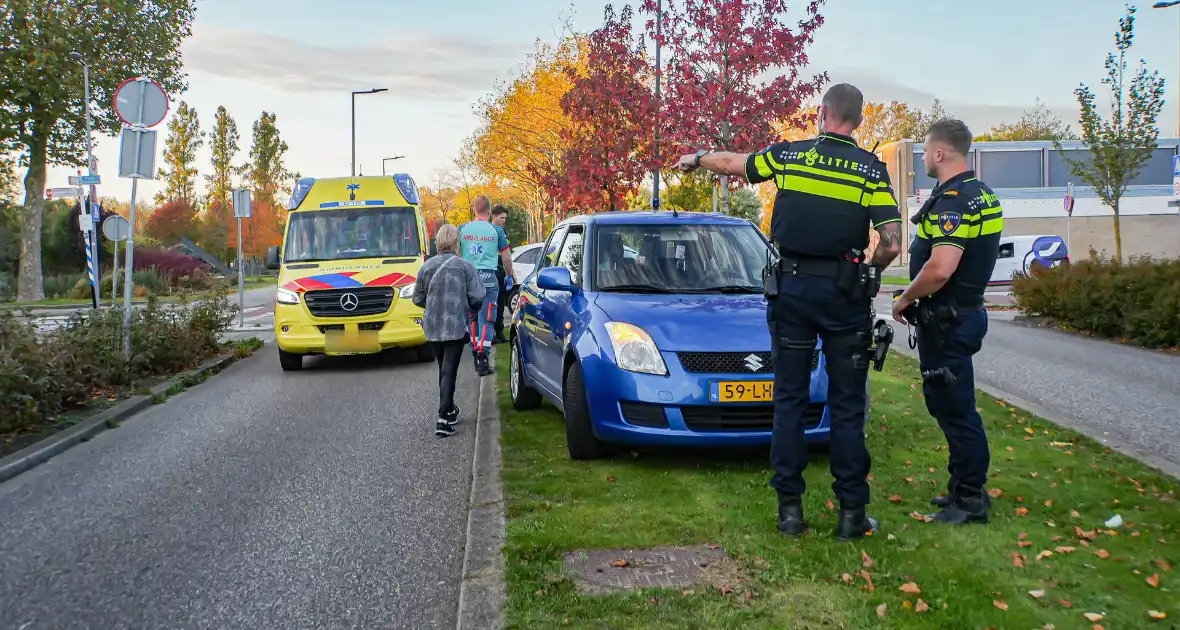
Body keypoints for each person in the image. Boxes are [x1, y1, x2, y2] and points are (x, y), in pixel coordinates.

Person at [677, 83, 903, 541]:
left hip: (792, 293)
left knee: (790, 401)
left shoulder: (791, 155)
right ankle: (851, 514)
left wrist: (696, 158)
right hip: (844, 297)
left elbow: (733, 163)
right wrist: (870, 273)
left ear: (821, 114)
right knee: (846, 404)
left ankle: (790, 513)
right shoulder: (870, 171)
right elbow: (894, 240)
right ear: (858, 122)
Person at [891, 118, 1002, 525]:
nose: (922, 156)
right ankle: (962, 486)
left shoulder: (954, 203)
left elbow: (940, 269)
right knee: (954, 403)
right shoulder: (981, 195)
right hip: (962, 316)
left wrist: (904, 298)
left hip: (948, 321)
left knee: (955, 408)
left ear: (940, 152)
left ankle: (970, 499)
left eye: (924, 150)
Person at [411, 224, 487, 438]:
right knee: (449, 370)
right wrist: (470, 308)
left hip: (433, 326)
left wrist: (434, 304)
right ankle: (443, 418)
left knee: (444, 369)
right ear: (456, 242)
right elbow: (478, 295)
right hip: (455, 324)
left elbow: (417, 298)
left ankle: (450, 409)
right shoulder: (465, 267)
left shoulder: (426, 267)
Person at [459, 196, 515, 376]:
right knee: (487, 318)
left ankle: (476, 349)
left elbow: (457, 254)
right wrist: (509, 276)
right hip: (489, 278)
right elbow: (506, 257)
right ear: (490, 211)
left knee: (472, 317)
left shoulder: (462, 229)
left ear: (474, 210)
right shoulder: (496, 230)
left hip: (468, 278)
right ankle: (483, 357)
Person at [490, 205, 512, 345]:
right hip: (493, 268)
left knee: (500, 302)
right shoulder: (490, 231)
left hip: (501, 269)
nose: (503, 220)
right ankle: (492, 332)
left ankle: (499, 331)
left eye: (505, 218)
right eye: (501, 217)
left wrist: (511, 273)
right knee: (492, 303)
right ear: (494, 216)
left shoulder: (502, 232)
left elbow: (507, 254)